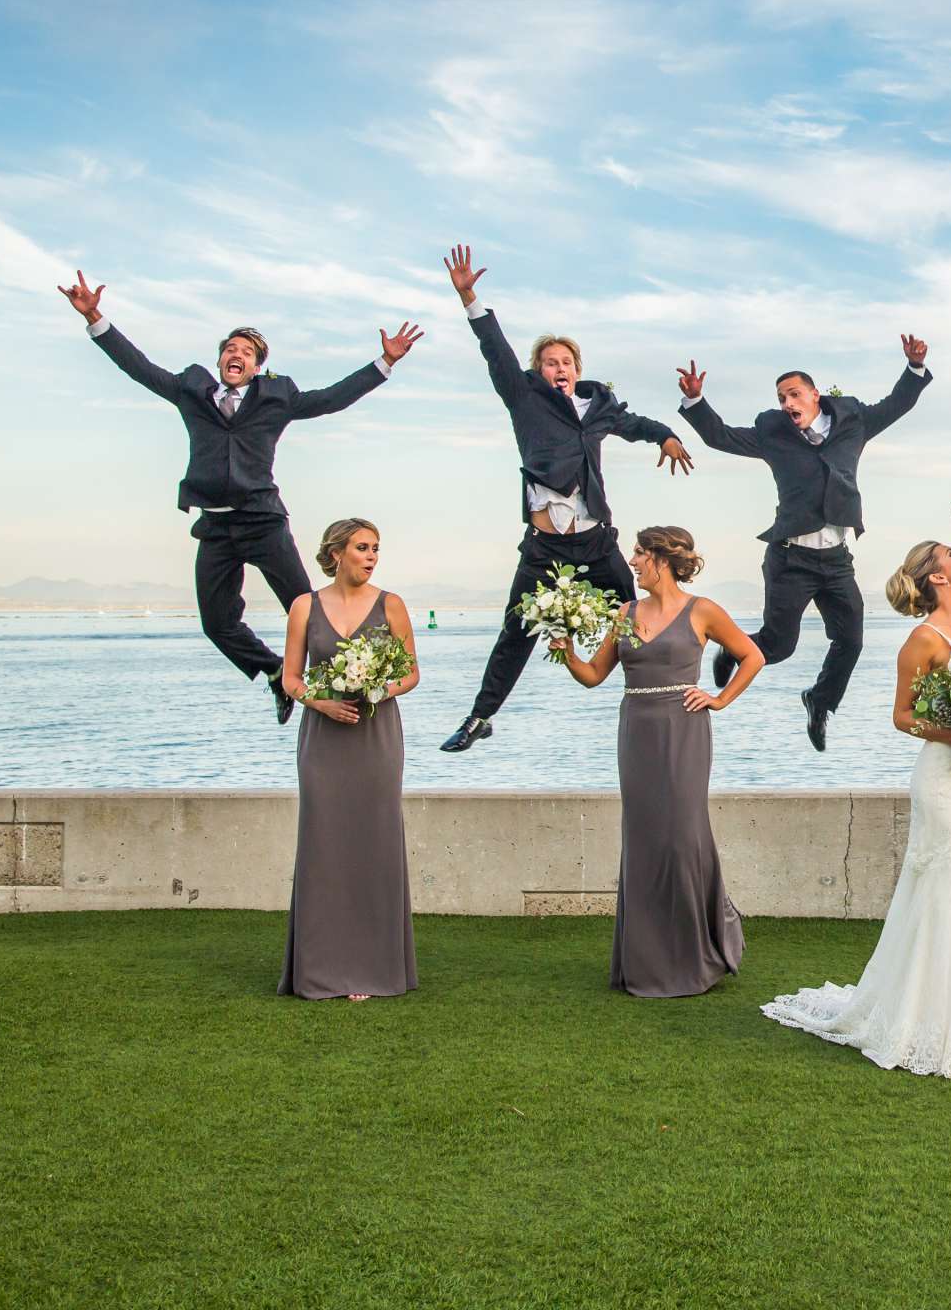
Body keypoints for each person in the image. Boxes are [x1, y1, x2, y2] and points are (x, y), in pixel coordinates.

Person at [58, 271, 420, 723]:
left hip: (263, 520)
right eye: (230, 349)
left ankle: (336, 688)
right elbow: (139, 367)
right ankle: (272, 672)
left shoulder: (276, 397)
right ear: (220, 361)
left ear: (257, 366)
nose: (237, 355)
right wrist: (95, 317)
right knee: (218, 624)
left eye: (247, 353)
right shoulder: (191, 390)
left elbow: (331, 398)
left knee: (306, 611)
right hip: (216, 525)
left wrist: (382, 364)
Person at [762, 541, 951, 1075]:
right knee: (947, 886)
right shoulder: (922, 640)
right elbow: (903, 717)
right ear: (938, 578)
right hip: (944, 781)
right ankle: (928, 1015)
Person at [438, 245, 694, 752]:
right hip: (545, 547)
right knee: (516, 632)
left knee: (633, 610)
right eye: (551, 362)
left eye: (567, 362)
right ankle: (480, 717)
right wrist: (470, 298)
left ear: (578, 369)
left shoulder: (599, 406)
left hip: (595, 541)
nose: (560, 367)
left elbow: (634, 424)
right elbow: (496, 351)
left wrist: (665, 434)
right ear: (539, 371)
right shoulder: (524, 396)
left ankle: (660, 696)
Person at [674, 337, 934, 752]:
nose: (786, 402)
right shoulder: (773, 433)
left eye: (794, 394)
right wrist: (696, 400)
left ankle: (820, 702)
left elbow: (896, 404)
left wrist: (914, 366)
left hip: (836, 560)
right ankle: (733, 647)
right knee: (778, 646)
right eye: (781, 397)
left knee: (851, 639)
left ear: (815, 395)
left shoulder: (853, 421)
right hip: (790, 559)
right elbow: (720, 436)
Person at [561, 527, 760, 997]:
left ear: (662, 559)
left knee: (682, 837)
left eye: (638, 553)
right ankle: (645, 960)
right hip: (636, 730)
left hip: (684, 727)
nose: (631, 560)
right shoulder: (624, 613)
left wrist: (719, 699)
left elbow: (752, 656)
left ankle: (701, 952)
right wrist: (567, 652)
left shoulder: (703, 610)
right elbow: (593, 676)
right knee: (645, 837)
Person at [276, 518, 420, 1001]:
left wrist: (374, 687)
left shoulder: (391, 604)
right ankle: (321, 970)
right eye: (362, 547)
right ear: (336, 552)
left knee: (374, 844)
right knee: (324, 845)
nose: (372, 556)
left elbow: (412, 673)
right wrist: (319, 701)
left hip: (375, 736)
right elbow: (290, 678)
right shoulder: (303, 607)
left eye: (376, 548)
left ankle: (370, 970)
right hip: (322, 738)